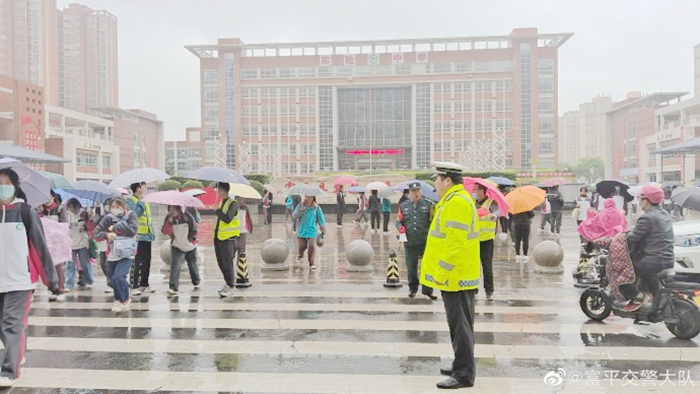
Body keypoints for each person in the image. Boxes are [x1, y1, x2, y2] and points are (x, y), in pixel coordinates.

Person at [421, 163, 479, 389]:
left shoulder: (457, 202)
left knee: (461, 326)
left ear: (447, 180)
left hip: (456, 275)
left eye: (437, 179)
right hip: (456, 274)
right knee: (460, 325)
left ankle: (463, 374)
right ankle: (461, 364)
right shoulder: (453, 200)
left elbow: (454, 243)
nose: (434, 184)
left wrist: (441, 272)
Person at [0, 168, 60, 388]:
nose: (3, 186)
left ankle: (9, 371)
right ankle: (17, 352)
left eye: (7, 182)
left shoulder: (25, 212)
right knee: (3, 325)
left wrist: (51, 281)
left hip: (20, 281)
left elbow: (39, 247)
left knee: (12, 323)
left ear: (15, 186)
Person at [623, 185, 675, 311]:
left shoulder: (647, 217)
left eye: (640, 199)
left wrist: (624, 234)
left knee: (623, 269)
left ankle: (638, 296)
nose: (640, 202)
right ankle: (653, 298)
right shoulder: (665, 214)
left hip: (653, 261)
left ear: (646, 201)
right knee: (644, 272)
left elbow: (633, 237)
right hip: (668, 259)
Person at [93, 197, 139, 313]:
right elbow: (96, 233)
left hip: (127, 252)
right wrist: (107, 235)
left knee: (119, 276)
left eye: (118, 207)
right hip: (112, 253)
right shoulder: (108, 218)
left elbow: (133, 230)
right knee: (113, 279)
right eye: (113, 207)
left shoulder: (130, 215)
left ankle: (125, 298)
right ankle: (117, 300)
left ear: (124, 207)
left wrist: (115, 228)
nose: (115, 209)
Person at [397, 182, 435, 300]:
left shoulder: (429, 205)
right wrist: (399, 227)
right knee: (411, 267)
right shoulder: (404, 206)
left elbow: (434, 222)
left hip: (425, 240)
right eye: (414, 191)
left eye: (418, 191)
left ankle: (428, 289)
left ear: (421, 192)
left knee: (427, 267)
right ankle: (413, 288)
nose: (416, 193)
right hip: (410, 241)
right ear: (410, 193)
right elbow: (398, 221)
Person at [161, 205, 200, 295]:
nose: (172, 212)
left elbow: (194, 229)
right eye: (170, 210)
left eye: (174, 209)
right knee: (175, 264)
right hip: (176, 245)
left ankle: (196, 280)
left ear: (179, 210)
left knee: (192, 263)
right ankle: (173, 287)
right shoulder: (168, 218)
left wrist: (190, 240)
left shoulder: (187, 217)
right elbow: (164, 231)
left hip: (189, 245)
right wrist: (169, 223)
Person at [37, 190, 68, 299]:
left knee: (58, 267)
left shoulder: (60, 209)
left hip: (57, 243)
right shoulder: (40, 211)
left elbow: (64, 225)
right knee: (47, 267)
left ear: (53, 197)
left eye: (48, 196)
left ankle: (60, 289)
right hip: (45, 243)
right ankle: (52, 288)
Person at [473, 183, 500, 301]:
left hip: (486, 241)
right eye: (473, 189)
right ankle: (473, 289)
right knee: (473, 267)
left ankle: (489, 291)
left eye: (476, 190)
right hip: (473, 239)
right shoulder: (471, 203)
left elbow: (497, 211)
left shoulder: (491, 203)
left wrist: (494, 215)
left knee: (487, 267)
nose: (474, 192)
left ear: (483, 191)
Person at [127, 182, 155, 295]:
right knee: (136, 262)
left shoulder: (145, 201)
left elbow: (148, 218)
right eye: (144, 186)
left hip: (147, 236)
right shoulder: (130, 201)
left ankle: (145, 283)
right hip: (136, 237)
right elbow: (136, 213)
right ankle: (134, 285)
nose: (145, 189)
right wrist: (141, 201)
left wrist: (152, 232)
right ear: (138, 188)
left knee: (146, 261)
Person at [214, 183, 239, 297]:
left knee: (227, 263)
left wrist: (217, 211)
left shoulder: (232, 204)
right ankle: (227, 283)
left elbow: (228, 218)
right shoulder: (222, 202)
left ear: (223, 191)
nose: (217, 192)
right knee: (221, 262)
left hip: (228, 238)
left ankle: (231, 285)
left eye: (218, 190)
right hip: (219, 237)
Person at [65, 198, 94, 291]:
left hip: (82, 242)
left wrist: (85, 226)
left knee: (85, 263)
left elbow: (91, 226)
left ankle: (89, 280)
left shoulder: (84, 213)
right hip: (71, 242)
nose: (72, 210)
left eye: (73, 208)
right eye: (70, 208)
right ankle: (68, 284)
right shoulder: (67, 214)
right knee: (70, 264)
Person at [293, 195, 326, 270]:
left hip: (312, 230)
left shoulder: (316, 208)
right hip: (302, 230)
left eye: (310, 197)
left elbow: (321, 218)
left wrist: (323, 229)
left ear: (313, 197)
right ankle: (300, 254)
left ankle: (311, 263)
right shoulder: (300, 205)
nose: (309, 199)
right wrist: (301, 210)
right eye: (307, 197)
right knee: (302, 246)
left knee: (311, 246)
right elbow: (294, 216)